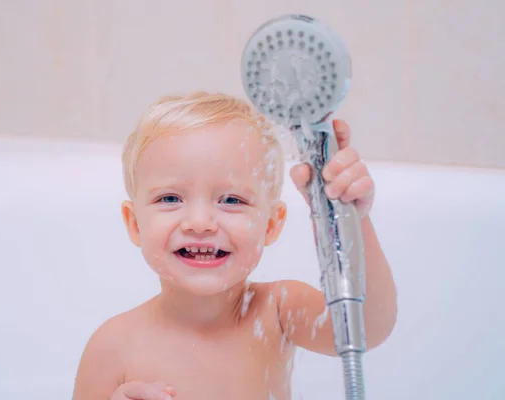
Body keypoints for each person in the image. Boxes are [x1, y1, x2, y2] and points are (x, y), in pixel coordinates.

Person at [72, 91, 397, 400]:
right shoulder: (113, 347)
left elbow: (365, 328)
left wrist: (349, 220)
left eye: (231, 199)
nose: (199, 222)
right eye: (170, 198)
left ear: (271, 224)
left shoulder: (279, 312)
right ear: (134, 224)